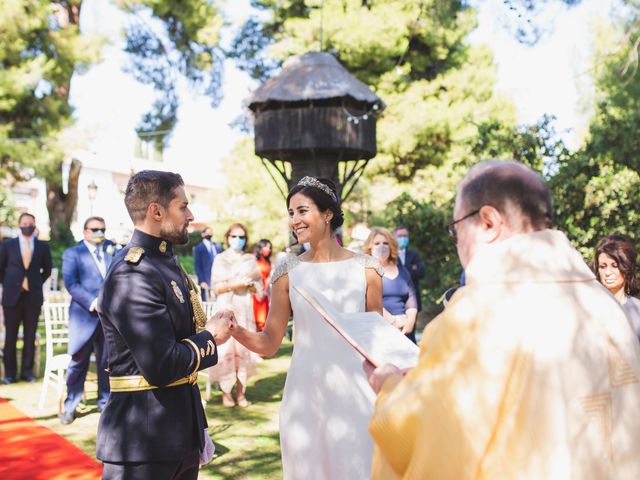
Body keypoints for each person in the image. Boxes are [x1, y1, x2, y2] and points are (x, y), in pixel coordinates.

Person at [367, 160, 640, 479]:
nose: (456, 243)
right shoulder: (605, 304)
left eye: (456, 229)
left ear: (488, 222)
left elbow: (431, 445)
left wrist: (388, 388)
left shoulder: (475, 314)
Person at [229, 176, 383, 479]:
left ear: (327, 214)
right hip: (305, 396)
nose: (294, 221)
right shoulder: (288, 271)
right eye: (290, 213)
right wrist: (237, 330)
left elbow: (375, 339)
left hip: (357, 394)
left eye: (302, 211)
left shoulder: (367, 269)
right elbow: (270, 342)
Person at [96, 170, 235, 479]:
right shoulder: (133, 273)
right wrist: (210, 335)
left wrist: (197, 428)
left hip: (178, 435)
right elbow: (162, 364)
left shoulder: (164, 263)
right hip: (142, 443)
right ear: (156, 212)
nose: (191, 214)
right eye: (182, 206)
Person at [59, 216, 112, 425]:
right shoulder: (73, 253)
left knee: (106, 363)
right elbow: (71, 284)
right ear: (85, 232)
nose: (99, 232)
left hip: (107, 319)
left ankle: (105, 403)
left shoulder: (111, 252)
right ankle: (71, 405)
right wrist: (93, 302)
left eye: (102, 229)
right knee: (78, 362)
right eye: (95, 229)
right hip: (84, 317)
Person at [208, 223, 262, 407]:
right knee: (226, 349)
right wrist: (234, 284)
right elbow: (216, 287)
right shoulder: (220, 259)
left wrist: (249, 285)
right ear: (228, 237)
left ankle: (241, 392)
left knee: (242, 349)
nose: (237, 240)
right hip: (225, 308)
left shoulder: (250, 260)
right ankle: (226, 393)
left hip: (244, 309)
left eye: (241, 237)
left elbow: (259, 288)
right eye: (234, 236)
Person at [0, 213, 52, 384]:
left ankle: (27, 372)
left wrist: (34, 283)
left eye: (30, 223)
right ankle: (9, 373)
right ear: (19, 224)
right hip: (11, 298)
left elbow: (47, 270)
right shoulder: (7, 245)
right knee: (11, 337)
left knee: (30, 336)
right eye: (24, 223)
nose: (27, 225)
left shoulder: (42, 246)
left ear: (34, 224)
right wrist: (10, 284)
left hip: (33, 298)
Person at [363, 227, 418, 341]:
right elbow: (368, 302)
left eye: (385, 243)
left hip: (405, 330)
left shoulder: (401, 269)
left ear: (391, 246)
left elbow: (411, 296)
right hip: (381, 330)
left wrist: (410, 320)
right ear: (370, 247)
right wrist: (393, 321)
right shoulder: (366, 271)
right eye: (377, 243)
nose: (381, 246)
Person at [594, 234, 640, 340]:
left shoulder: (638, 310)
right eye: (603, 266)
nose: (608, 272)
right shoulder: (589, 307)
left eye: (615, 266)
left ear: (627, 268)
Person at [392, 225, 425, 337]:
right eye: (400, 236)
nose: (403, 238)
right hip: (395, 302)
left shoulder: (413, 254)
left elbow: (421, 272)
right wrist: (411, 268)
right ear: (393, 237)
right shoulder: (391, 255)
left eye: (405, 236)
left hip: (412, 300)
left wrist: (406, 269)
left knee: (410, 333)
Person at [194, 226, 222, 301]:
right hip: (205, 280)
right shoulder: (198, 248)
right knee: (206, 304)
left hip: (218, 278)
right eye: (207, 232)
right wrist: (202, 280)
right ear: (203, 234)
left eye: (210, 232)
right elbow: (197, 266)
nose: (209, 234)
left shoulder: (217, 246)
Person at [252, 239, 273, 332]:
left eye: (269, 247)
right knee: (254, 319)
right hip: (254, 292)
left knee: (263, 320)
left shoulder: (268, 261)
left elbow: (268, 277)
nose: (268, 249)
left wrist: (266, 290)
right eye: (266, 247)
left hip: (264, 293)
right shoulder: (253, 259)